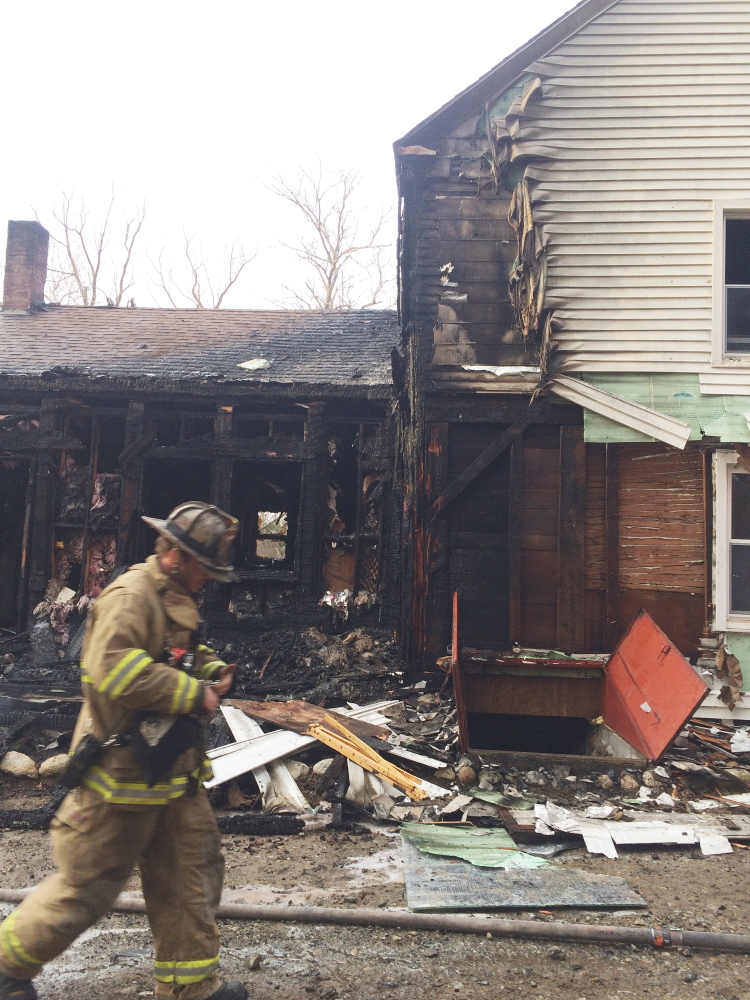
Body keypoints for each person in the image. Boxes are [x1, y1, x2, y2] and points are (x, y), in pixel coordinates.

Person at [0, 502, 249, 1000]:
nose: (209, 580)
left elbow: (172, 651)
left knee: (190, 877)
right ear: (175, 554)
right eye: (206, 568)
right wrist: (190, 695)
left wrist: (209, 665)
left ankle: (190, 989)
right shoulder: (130, 595)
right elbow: (112, 667)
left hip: (173, 772)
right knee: (87, 886)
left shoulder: (174, 592)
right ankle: (6, 967)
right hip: (121, 775)